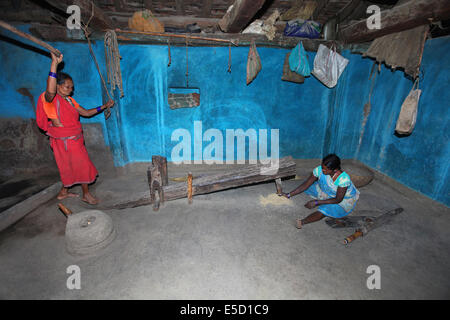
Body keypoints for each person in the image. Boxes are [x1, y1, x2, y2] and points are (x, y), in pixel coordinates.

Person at [35, 50, 114, 204]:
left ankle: (63, 192)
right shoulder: (51, 99)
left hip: (74, 139)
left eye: (71, 87)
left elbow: (85, 113)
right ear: (57, 87)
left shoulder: (69, 100)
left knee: (69, 167)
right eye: (67, 87)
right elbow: (50, 90)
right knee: (82, 165)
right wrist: (54, 64)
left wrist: (104, 106)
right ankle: (86, 194)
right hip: (65, 140)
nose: (71, 90)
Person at [279, 154, 360, 228]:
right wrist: (289, 195)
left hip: (343, 200)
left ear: (335, 170)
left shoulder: (343, 180)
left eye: (325, 169)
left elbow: (338, 199)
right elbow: (306, 184)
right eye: (322, 167)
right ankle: (324, 200)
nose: (322, 170)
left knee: (325, 210)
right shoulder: (320, 170)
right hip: (327, 191)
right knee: (308, 187)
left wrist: (317, 202)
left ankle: (302, 222)